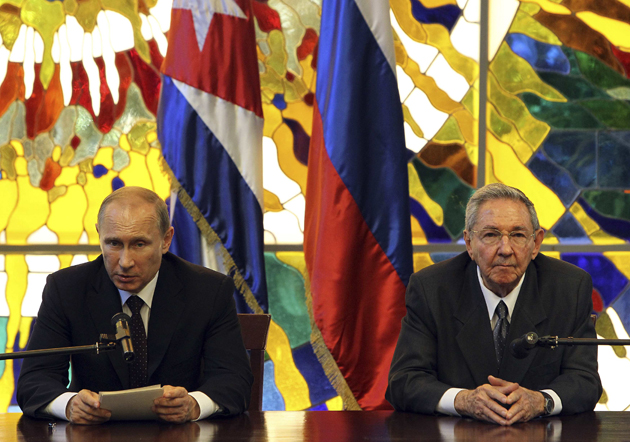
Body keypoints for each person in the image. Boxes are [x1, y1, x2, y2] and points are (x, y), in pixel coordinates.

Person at [17, 186, 252, 424]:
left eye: (139, 244)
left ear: (166, 240)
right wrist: (68, 405)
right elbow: (34, 380)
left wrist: (194, 404)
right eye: (113, 243)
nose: (125, 261)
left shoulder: (208, 291)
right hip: (94, 435)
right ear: (99, 235)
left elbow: (233, 380)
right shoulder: (66, 289)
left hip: (179, 435)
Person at [386, 183, 602, 425]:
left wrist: (541, 401)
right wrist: (463, 400)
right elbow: (403, 381)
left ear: (536, 243)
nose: (505, 250)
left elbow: (585, 380)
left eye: (518, 235)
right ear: (469, 243)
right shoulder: (432, 289)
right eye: (491, 235)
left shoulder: (569, 289)